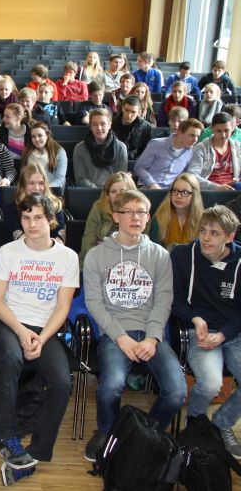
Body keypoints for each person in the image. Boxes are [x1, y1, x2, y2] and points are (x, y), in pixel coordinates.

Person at [83, 189, 186, 462]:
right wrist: (120, 337)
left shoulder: (160, 255)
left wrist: (152, 339)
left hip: (151, 333)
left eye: (142, 212)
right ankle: (106, 431)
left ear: (148, 217)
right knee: (111, 385)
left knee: (176, 391)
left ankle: (142, 434)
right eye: (129, 212)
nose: (136, 217)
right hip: (114, 332)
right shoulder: (96, 256)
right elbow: (94, 303)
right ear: (116, 216)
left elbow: (164, 300)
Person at [0, 194, 79, 485]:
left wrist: (41, 337)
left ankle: (38, 450)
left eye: (38, 217)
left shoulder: (68, 257)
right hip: (11, 323)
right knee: (10, 361)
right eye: (26, 218)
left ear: (51, 220)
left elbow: (63, 307)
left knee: (62, 382)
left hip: (46, 328)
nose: (31, 224)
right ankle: (6, 434)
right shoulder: (8, 252)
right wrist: (21, 331)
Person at [171, 206, 241, 458]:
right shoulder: (181, 255)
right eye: (203, 231)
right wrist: (195, 319)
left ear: (230, 237)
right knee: (211, 383)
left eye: (214, 233)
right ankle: (196, 427)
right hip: (197, 330)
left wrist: (222, 335)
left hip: (231, 331)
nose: (206, 238)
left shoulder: (240, 261)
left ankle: (221, 424)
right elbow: (175, 299)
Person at [79, 172, 137, 264]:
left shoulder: (140, 213)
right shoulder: (98, 209)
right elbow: (88, 243)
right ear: (108, 194)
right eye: (113, 191)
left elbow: (142, 247)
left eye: (122, 191)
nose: (118, 195)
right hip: (98, 261)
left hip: (131, 263)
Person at [134, 117, 202, 189]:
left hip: (172, 191)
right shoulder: (157, 144)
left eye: (198, 136)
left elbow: (186, 175)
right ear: (180, 133)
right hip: (149, 186)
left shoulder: (191, 151)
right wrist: (151, 183)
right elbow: (139, 167)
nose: (195, 140)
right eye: (192, 135)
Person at [73, 108, 129, 188]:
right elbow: (80, 179)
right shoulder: (80, 148)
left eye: (103, 124)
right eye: (94, 124)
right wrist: (97, 190)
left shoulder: (121, 147)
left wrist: (109, 191)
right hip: (89, 192)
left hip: (114, 192)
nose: (99, 128)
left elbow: (121, 177)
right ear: (90, 126)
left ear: (110, 125)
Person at [149, 172, 204, 250]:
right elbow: (154, 251)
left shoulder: (202, 220)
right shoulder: (159, 218)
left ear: (194, 195)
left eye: (185, 192)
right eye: (175, 191)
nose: (178, 196)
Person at [188, 112, 241, 191]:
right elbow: (192, 175)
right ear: (212, 129)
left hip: (233, 189)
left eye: (226, 131)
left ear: (232, 128)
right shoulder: (200, 148)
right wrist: (216, 187)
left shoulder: (238, 147)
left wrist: (237, 181)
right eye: (219, 131)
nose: (223, 135)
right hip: (209, 191)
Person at [21, 121, 67, 189]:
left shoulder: (59, 152)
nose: (36, 139)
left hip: (52, 190)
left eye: (40, 135)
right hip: (31, 190)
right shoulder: (27, 152)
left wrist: (43, 188)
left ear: (47, 135)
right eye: (33, 136)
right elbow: (23, 177)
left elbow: (60, 180)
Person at [112, 95, 154, 160]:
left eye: (133, 112)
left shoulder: (147, 128)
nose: (129, 115)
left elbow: (146, 151)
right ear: (122, 108)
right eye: (126, 110)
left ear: (139, 111)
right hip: (115, 160)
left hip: (137, 163)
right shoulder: (111, 124)